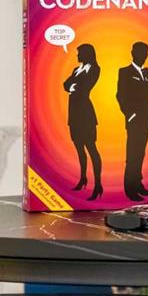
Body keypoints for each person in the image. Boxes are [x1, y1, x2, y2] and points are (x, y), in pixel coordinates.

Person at [116, 42, 148, 200]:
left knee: (140, 153)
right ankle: (130, 189)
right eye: (141, 52)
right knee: (133, 154)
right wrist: (129, 114)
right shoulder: (125, 72)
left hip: (145, 120)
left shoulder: (147, 73)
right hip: (134, 120)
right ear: (133, 53)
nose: (144, 56)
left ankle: (138, 184)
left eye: (146, 53)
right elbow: (120, 95)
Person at [64, 44, 102, 200]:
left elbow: (84, 87)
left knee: (91, 148)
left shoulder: (94, 69)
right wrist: (72, 86)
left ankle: (98, 184)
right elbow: (65, 84)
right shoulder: (76, 69)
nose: (77, 56)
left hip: (86, 115)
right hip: (74, 115)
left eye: (79, 53)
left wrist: (72, 86)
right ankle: (83, 178)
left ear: (87, 54)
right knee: (79, 148)